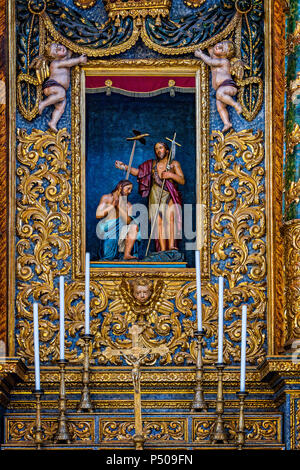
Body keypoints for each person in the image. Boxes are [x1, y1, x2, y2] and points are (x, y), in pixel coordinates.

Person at [115, 141, 185, 252]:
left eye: (161, 148)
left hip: (169, 193)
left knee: (171, 218)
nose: (158, 150)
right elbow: (139, 173)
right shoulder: (152, 164)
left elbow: (182, 180)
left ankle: (171, 246)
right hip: (155, 195)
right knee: (159, 222)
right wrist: (125, 167)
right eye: (156, 149)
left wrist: (170, 175)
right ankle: (162, 250)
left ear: (167, 150)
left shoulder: (174, 164)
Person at [31, 42, 87, 132]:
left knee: (60, 107)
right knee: (61, 94)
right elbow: (69, 63)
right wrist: (79, 60)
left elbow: (70, 49)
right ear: (55, 57)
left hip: (58, 88)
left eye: (58, 46)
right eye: (56, 51)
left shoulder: (65, 56)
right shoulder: (56, 63)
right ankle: (43, 104)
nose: (60, 49)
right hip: (52, 85)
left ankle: (53, 122)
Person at [195, 40, 242, 132]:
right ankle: (227, 123)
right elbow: (211, 50)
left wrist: (201, 55)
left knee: (219, 94)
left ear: (224, 55)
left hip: (228, 86)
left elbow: (210, 61)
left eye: (222, 49)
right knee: (220, 106)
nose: (219, 47)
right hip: (221, 88)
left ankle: (236, 105)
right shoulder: (215, 57)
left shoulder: (223, 61)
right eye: (220, 45)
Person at [95, 180, 141, 260]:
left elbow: (128, 221)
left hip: (122, 233)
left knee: (134, 227)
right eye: (128, 189)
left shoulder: (128, 205)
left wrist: (119, 207)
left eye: (131, 190)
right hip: (108, 231)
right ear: (120, 187)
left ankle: (127, 254)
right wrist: (112, 206)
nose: (129, 192)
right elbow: (98, 215)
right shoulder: (106, 198)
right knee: (109, 255)